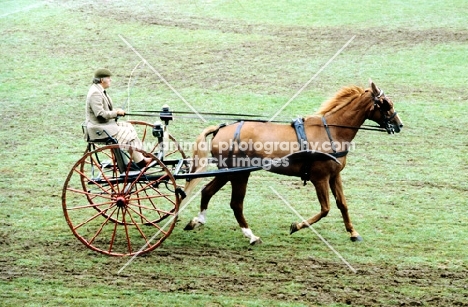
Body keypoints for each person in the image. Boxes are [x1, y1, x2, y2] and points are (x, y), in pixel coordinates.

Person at [84, 68, 152, 168]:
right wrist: (116, 113)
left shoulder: (99, 90)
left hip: (105, 125)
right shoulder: (95, 93)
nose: (110, 80)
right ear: (102, 80)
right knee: (127, 133)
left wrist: (116, 111)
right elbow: (100, 114)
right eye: (109, 78)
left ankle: (140, 155)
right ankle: (140, 161)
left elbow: (105, 109)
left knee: (128, 126)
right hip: (99, 129)